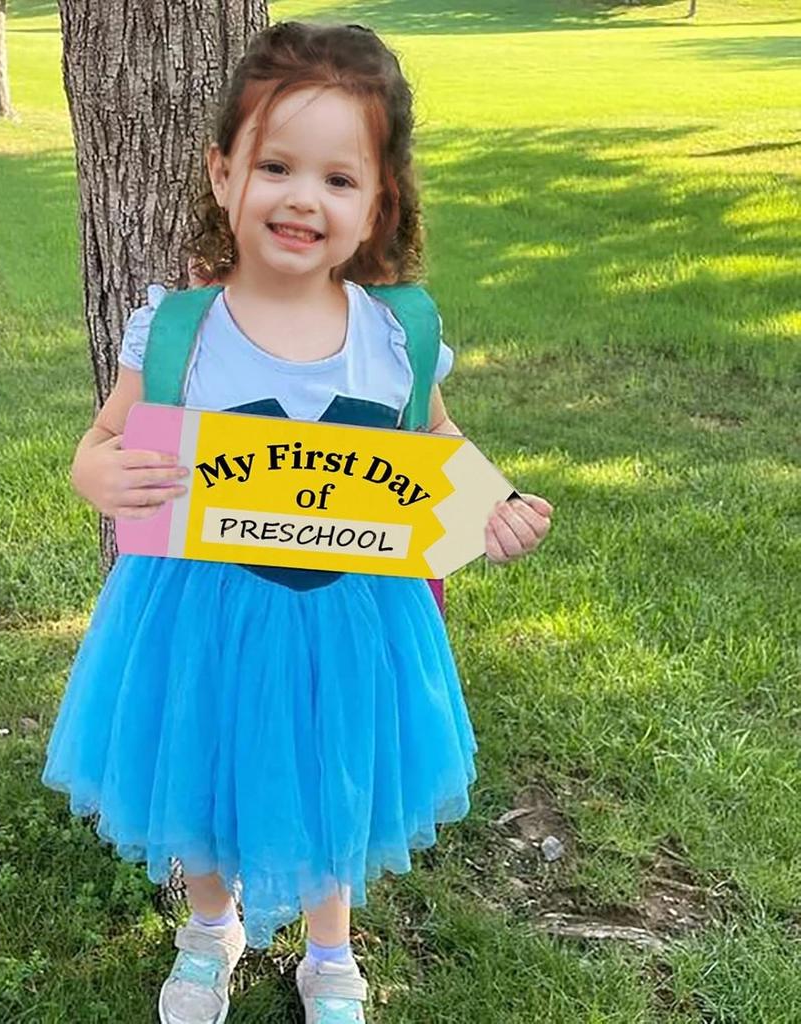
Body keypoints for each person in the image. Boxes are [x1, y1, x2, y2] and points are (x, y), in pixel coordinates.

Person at [42, 21, 553, 1024]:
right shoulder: (182, 329)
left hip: (350, 612)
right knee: (203, 757)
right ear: (225, 174)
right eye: (276, 165)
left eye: (338, 177)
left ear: (377, 205)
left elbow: (435, 443)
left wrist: (489, 505)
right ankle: (209, 931)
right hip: (201, 608)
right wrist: (103, 477)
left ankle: (330, 952)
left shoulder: (396, 333)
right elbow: (97, 444)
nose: (302, 197)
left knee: (330, 769)